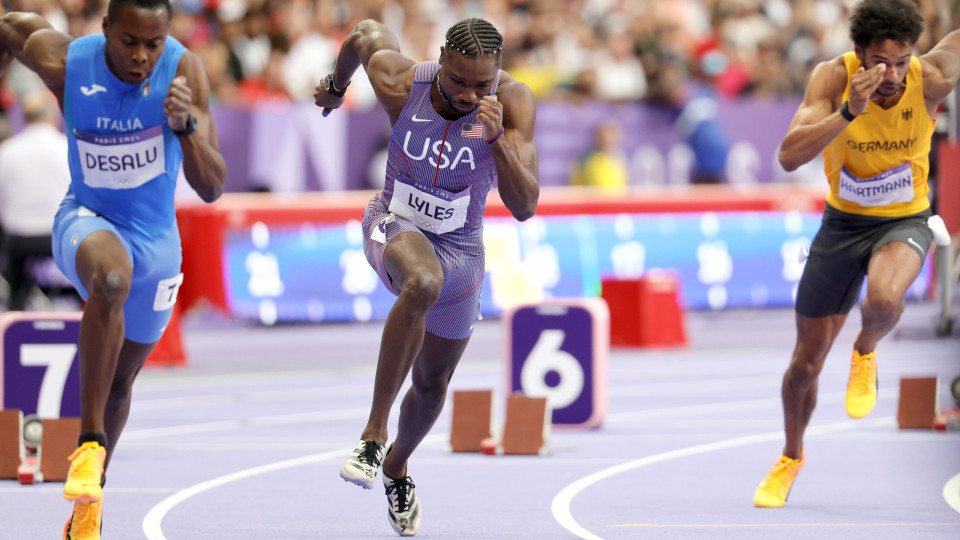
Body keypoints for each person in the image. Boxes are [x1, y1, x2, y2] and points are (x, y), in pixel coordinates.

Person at [0, 0, 227, 537]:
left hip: (156, 243)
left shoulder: (184, 69)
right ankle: (88, 446)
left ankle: (87, 505)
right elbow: (10, 28)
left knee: (121, 380)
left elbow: (213, 185)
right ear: (104, 29)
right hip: (86, 218)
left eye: (154, 43)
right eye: (128, 41)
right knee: (110, 280)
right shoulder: (65, 61)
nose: (142, 56)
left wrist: (186, 125)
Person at [314, 17, 538, 537]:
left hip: (463, 249)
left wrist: (498, 137)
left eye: (483, 84)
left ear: (497, 74)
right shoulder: (402, 81)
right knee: (421, 282)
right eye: (459, 80)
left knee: (434, 385)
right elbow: (365, 35)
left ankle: (396, 464)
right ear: (442, 60)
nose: (469, 93)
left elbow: (525, 206)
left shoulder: (514, 101)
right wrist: (335, 86)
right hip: (394, 223)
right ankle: (373, 435)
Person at [754, 0, 960, 508]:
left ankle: (866, 348)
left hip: (905, 220)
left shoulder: (930, 76)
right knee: (804, 366)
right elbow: (787, 155)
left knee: (884, 299)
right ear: (858, 53)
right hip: (842, 225)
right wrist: (850, 111)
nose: (890, 74)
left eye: (901, 60)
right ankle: (790, 456)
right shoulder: (831, 79)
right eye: (879, 62)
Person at [0, 89, 71, 310]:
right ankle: (81, 307)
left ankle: (15, 307)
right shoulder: (67, 149)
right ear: (53, 115)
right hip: (60, 239)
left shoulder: (7, 151)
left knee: (13, 265)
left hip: (19, 239)